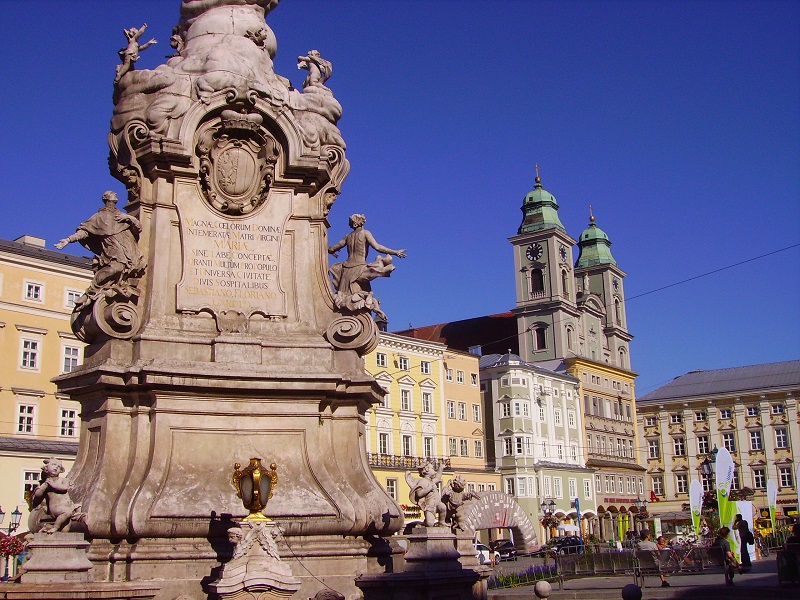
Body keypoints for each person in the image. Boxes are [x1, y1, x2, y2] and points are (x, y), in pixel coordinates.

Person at [55, 191, 146, 308]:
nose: (115, 194)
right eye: (111, 193)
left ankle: (115, 287)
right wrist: (68, 240)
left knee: (125, 269)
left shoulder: (121, 215)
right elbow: (84, 232)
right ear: (105, 198)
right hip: (113, 250)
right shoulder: (98, 217)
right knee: (116, 268)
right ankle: (91, 291)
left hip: (129, 249)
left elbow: (139, 227)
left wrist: (128, 217)